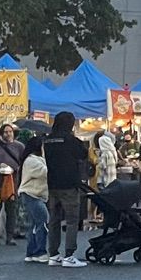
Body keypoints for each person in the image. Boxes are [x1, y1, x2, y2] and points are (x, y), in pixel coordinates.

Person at [43, 113, 93, 266]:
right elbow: (83, 154)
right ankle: (69, 255)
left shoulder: (48, 140)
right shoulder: (72, 140)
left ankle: (53, 254)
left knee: (54, 220)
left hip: (52, 184)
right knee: (72, 220)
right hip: (69, 185)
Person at [0, 123, 26, 245]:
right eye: (6, 132)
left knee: (11, 209)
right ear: (2, 134)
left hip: (13, 181)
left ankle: (10, 236)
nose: (8, 134)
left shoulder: (19, 147)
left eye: (10, 131)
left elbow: (24, 162)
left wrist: (17, 169)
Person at [17, 135, 51, 260]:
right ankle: (39, 251)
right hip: (32, 194)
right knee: (42, 221)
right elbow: (45, 172)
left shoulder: (35, 159)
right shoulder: (31, 161)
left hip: (34, 195)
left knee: (33, 225)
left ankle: (31, 252)